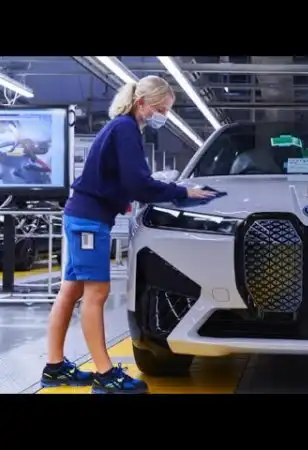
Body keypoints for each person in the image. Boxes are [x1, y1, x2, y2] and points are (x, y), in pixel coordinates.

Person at [41, 75, 216, 394]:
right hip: (89, 221)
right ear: (142, 103)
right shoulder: (125, 129)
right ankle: (105, 374)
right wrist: (182, 192)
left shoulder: (122, 127)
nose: (163, 115)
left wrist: (131, 194)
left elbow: (120, 179)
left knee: (71, 291)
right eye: (161, 109)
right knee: (96, 293)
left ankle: (54, 367)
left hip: (84, 216)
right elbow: (138, 184)